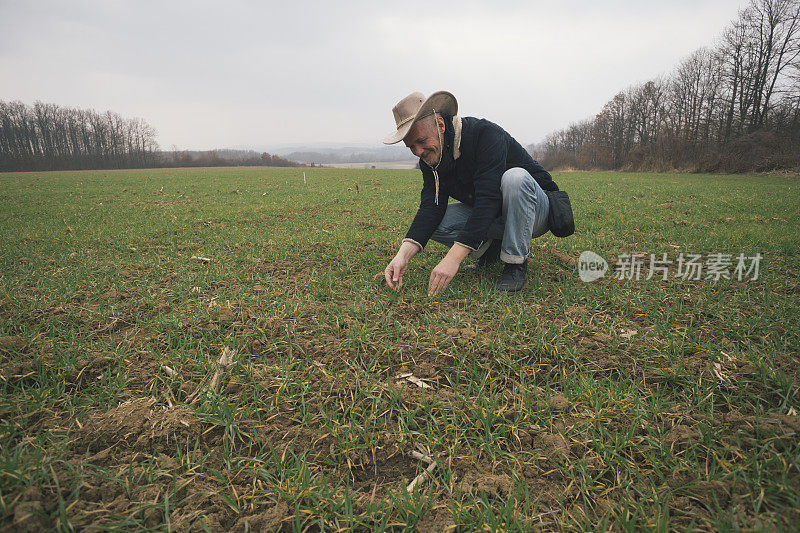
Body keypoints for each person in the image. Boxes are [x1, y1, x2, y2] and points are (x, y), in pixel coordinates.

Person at [382, 90, 560, 294]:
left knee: (515, 178)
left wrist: (453, 258)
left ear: (440, 125)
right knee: (435, 223)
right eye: (411, 146)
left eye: (421, 141)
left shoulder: (485, 134)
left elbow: (488, 198)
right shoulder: (431, 159)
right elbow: (431, 207)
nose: (418, 152)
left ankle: (515, 264)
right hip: (497, 214)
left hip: (535, 211)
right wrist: (402, 255)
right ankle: (489, 248)